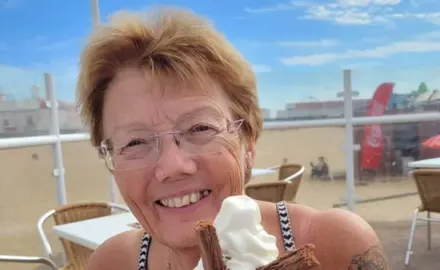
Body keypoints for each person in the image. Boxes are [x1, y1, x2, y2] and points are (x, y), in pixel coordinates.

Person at [79, 7, 391, 270]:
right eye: (135, 142)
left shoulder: (334, 244)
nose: (172, 166)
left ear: (248, 144)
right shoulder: (112, 262)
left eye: (200, 129)